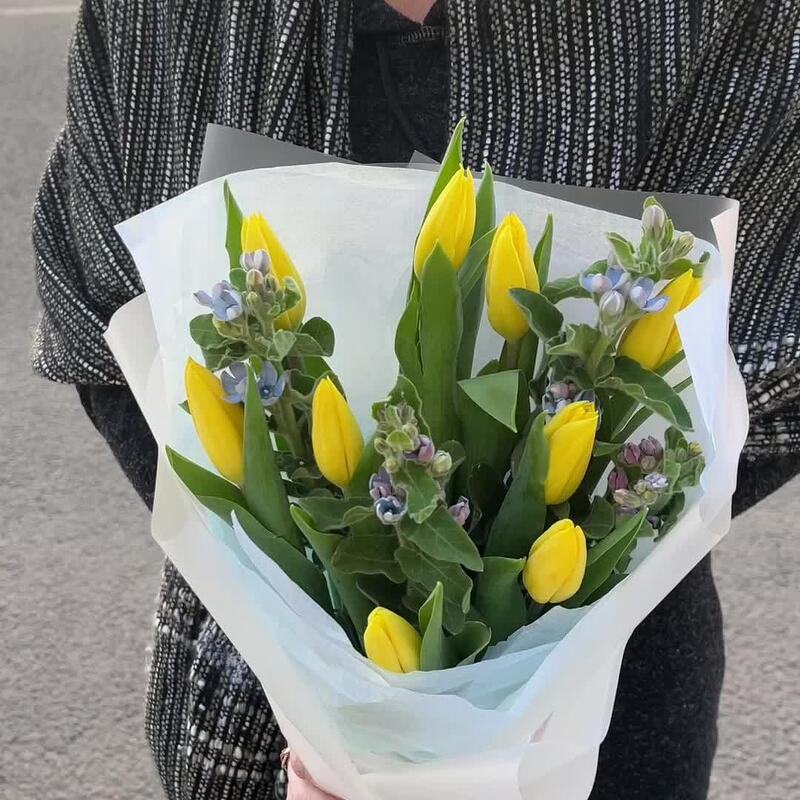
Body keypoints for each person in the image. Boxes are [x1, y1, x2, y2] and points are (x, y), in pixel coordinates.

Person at [31, 1, 800, 798]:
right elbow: (100, 297)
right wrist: (284, 595)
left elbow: (778, 347)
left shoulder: (719, 18)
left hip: (593, 710)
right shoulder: (166, 17)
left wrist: (554, 596)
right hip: (257, 696)